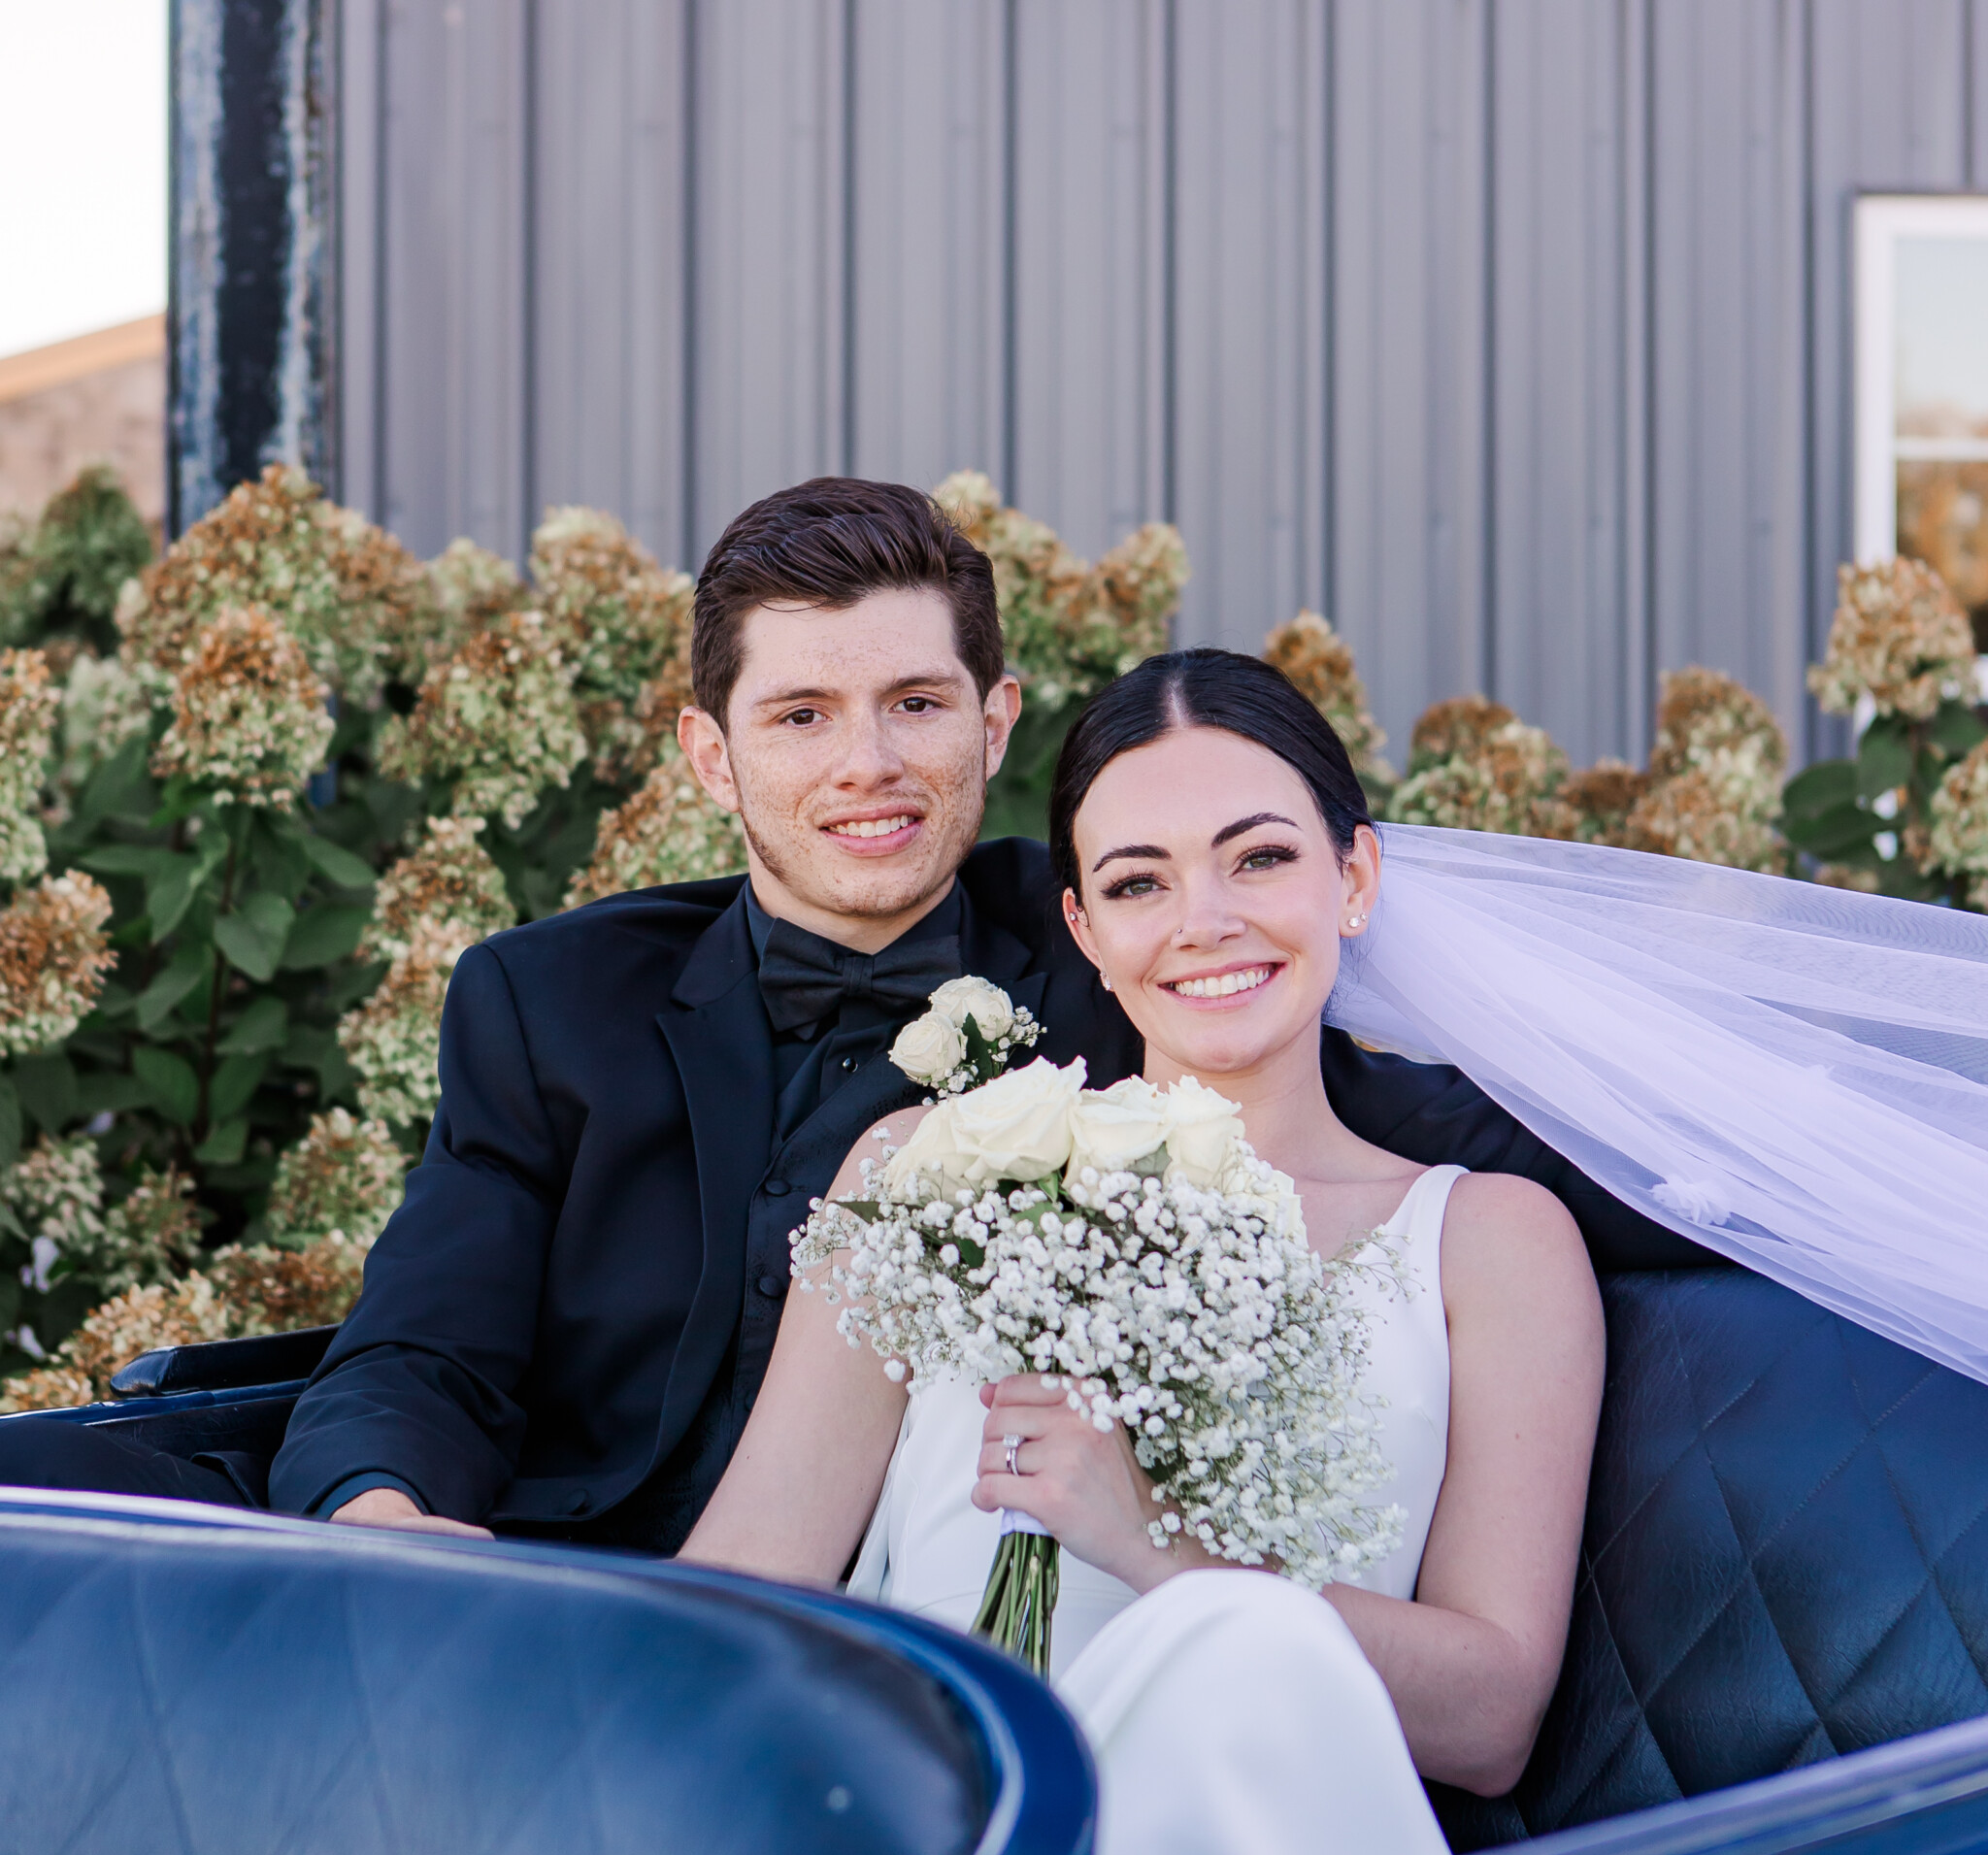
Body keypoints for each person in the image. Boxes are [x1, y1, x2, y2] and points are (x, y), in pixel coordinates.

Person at [0, 478, 1694, 1541]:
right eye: (803, 714)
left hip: (935, 1647)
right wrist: (389, 1524)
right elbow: (422, 1354)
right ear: (708, 753)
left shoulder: (1131, 945)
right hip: (580, 1603)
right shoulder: (548, 1000)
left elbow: (1426, 1141)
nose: (869, 766)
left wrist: (1805, 1200)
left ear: (995, 716)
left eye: (914, 703)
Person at [683, 649, 1607, 1855]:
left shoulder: (1488, 1241)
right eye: (1138, 881)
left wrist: (1156, 1547)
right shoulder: (931, 1173)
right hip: (948, 1846)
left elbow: (1490, 1718)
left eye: (1261, 858)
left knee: (1235, 1648)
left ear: (1353, 880)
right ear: (1084, 928)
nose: (1206, 922)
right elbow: (748, 1582)